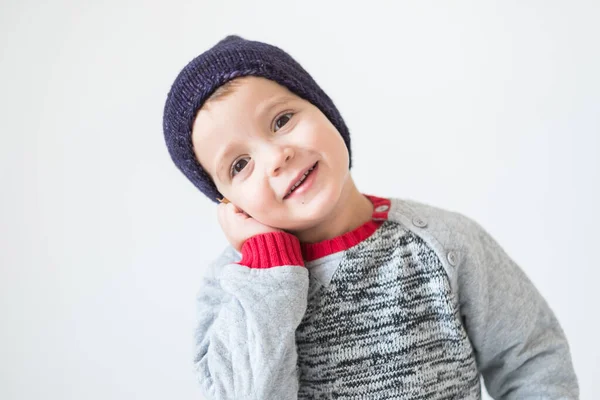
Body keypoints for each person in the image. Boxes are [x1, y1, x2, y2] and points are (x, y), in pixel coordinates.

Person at [162, 35, 579, 399]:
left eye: (282, 120)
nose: (276, 157)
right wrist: (268, 274)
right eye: (239, 165)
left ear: (326, 111)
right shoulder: (234, 288)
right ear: (228, 203)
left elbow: (532, 359)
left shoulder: (447, 242)